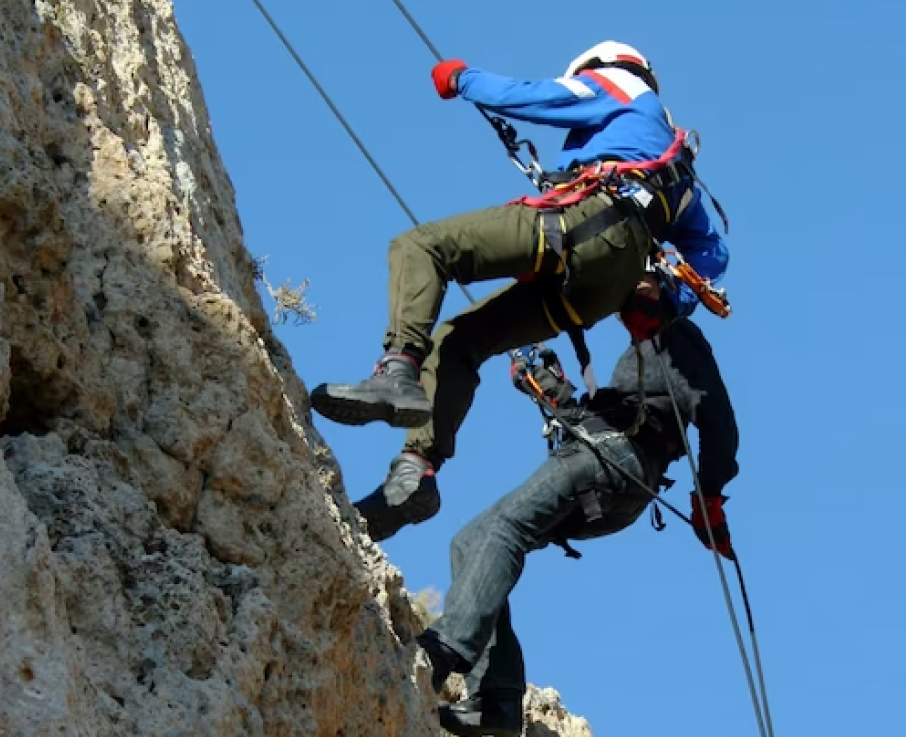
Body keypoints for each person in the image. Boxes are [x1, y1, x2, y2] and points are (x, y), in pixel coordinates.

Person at [309, 41, 729, 540]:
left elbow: (541, 98)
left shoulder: (623, 85)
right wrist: (665, 298)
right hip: (602, 287)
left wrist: (463, 80)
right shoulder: (679, 172)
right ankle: (414, 473)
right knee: (461, 340)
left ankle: (397, 369)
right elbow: (712, 255)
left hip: (584, 224)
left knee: (421, 248)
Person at [418, 317, 741, 736]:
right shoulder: (644, 361)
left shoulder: (676, 334)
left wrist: (708, 496)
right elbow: (602, 414)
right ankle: (496, 703)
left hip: (608, 459)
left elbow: (719, 421)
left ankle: (443, 651)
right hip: (616, 477)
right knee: (471, 543)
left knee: (501, 531)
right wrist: (548, 388)